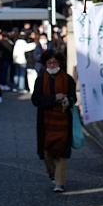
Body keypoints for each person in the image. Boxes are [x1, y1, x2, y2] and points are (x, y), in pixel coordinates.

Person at [31, 50, 76, 193]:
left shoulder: (68, 79)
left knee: (63, 152)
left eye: (55, 62)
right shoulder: (40, 80)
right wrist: (54, 98)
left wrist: (67, 100)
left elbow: (73, 97)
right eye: (49, 62)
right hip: (45, 121)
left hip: (63, 120)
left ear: (60, 63)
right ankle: (52, 173)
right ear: (45, 64)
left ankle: (59, 183)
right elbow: (36, 100)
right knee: (47, 152)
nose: (52, 65)